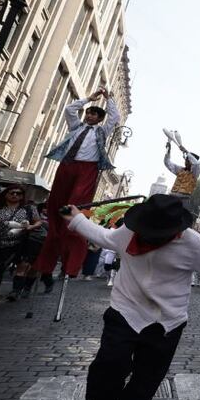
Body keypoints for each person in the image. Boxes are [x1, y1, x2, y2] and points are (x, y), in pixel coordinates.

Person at [66, 194, 200, 400]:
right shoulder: (129, 232)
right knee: (110, 362)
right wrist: (77, 219)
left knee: (150, 371)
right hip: (125, 309)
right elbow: (103, 237)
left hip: (168, 319)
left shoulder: (194, 243)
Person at [35, 88, 119, 279]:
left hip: (87, 169)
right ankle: (53, 244)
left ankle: (71, 246)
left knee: (74, 206)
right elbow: (69, 110)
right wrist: (89, 99)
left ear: (99, 119)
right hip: (67, 165)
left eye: (94, 114)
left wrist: (109, 99)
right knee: (57, 204)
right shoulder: (76, 127)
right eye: (89, 112)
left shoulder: (102, 131)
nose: (90, 116)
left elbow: (114, 117)